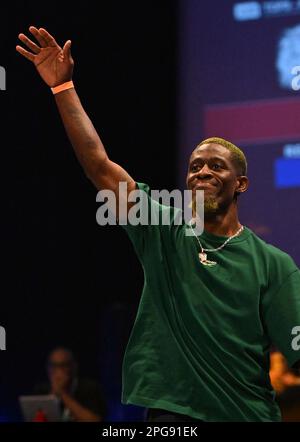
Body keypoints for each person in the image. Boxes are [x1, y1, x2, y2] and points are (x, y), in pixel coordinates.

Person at [16, 26, 300, 422]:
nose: (202, 172)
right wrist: (63, 90)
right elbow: (100, 167)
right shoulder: (163, 228)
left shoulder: (273, 264)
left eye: (216, 166)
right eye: (194, 166)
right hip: (171, 416)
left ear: (242, 185)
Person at [34, 347, 106, 422]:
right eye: (54, 366)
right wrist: (52, 395)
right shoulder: (41, 390)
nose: (59, 371)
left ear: (74, 366)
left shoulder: (90, 388)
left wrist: (62, 393)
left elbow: (94, 420)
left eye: (63, 365)